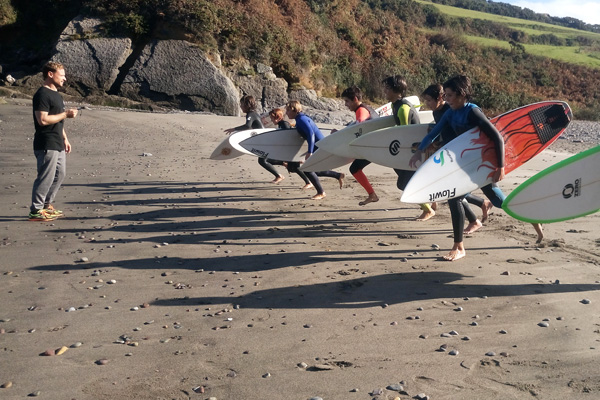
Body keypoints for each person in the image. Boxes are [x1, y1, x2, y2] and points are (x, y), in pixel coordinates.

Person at [409, 75, 542, 262]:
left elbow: (497, 137)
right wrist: (420, 150)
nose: (446, 99)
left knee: (497, 201)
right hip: (466, 163)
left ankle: (528, 216)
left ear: (462, 94)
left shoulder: (473, 111)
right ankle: (460, 246)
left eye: (449, 95)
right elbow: (435, 132)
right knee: (457, 198)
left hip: (484, 162)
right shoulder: (450, 113)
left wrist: (500, 167)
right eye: (445, 95)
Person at [421, 83, 491, 234]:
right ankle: (478, 210)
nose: (427, 104)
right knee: (451, 191)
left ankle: (475, 217)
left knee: (452, 192)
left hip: (458, 156)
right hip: (449, 154)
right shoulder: (437, 112)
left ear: (440, 98)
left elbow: (458, 132)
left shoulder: (450, 109)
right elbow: (444, 132)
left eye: (429, 100)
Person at [29, 61, 78, 221]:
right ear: (50, 74)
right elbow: (42, 120)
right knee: (46, 176)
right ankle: (36, 210)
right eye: (61, 75)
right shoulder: (42, 94)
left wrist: (65, 138)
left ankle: (46, 205)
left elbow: (57, 120)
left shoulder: (57, 95)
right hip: (46, 142)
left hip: (57, 141)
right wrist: (66, 114)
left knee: (60, 174)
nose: (64, 79)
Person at [382, 75, 435, 221]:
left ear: (396, 90)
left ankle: (428, 209)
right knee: (407, 180)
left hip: (412, 151)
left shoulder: (403, 108)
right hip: (407, 150)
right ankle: (432, 201)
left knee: (404, 183)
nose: (384, 91)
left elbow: (405, 135)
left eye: (387, 88)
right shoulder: (395, 105)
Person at [285, 100, 345, 200]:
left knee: (308, 169)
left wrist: (310, 151)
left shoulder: (302, 120)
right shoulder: (300, 119)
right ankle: (338, 175)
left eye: (288, 110)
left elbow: (311, 134)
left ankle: (321, 192)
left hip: (319, 146)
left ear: (294, 110)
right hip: (319, 146)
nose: (286, 113)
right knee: (313, 170)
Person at [224, 95, 285, 184]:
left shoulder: (250, 114)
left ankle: (279, 175)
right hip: (264, 138)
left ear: (246, 105)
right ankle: (283, 164)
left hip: (264, 140)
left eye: (241, 104)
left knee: (262, 160)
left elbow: (247, 126)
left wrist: (233, 129)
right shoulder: (254, 113)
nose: (240, 107)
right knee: (264, 159)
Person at [340, 86, 381, 206]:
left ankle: (372, 195)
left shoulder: (361, 111)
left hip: (376, 147)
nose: (346, 104)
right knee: (355, 168)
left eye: (347, 101)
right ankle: (372, 195)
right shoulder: (367, 108)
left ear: (355, 99)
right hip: (377, 145)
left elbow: (359, 128)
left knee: (354, 168)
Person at [267, 108, 313, 190]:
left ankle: (309, 182)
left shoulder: (284, 124)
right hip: (289, 149)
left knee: (296, 168)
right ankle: (308, 181)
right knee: (294, 168)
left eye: (272, 118)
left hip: (292, 149)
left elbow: (289, 137)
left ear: (278, 117)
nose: (271, 120)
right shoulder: (281, 124)